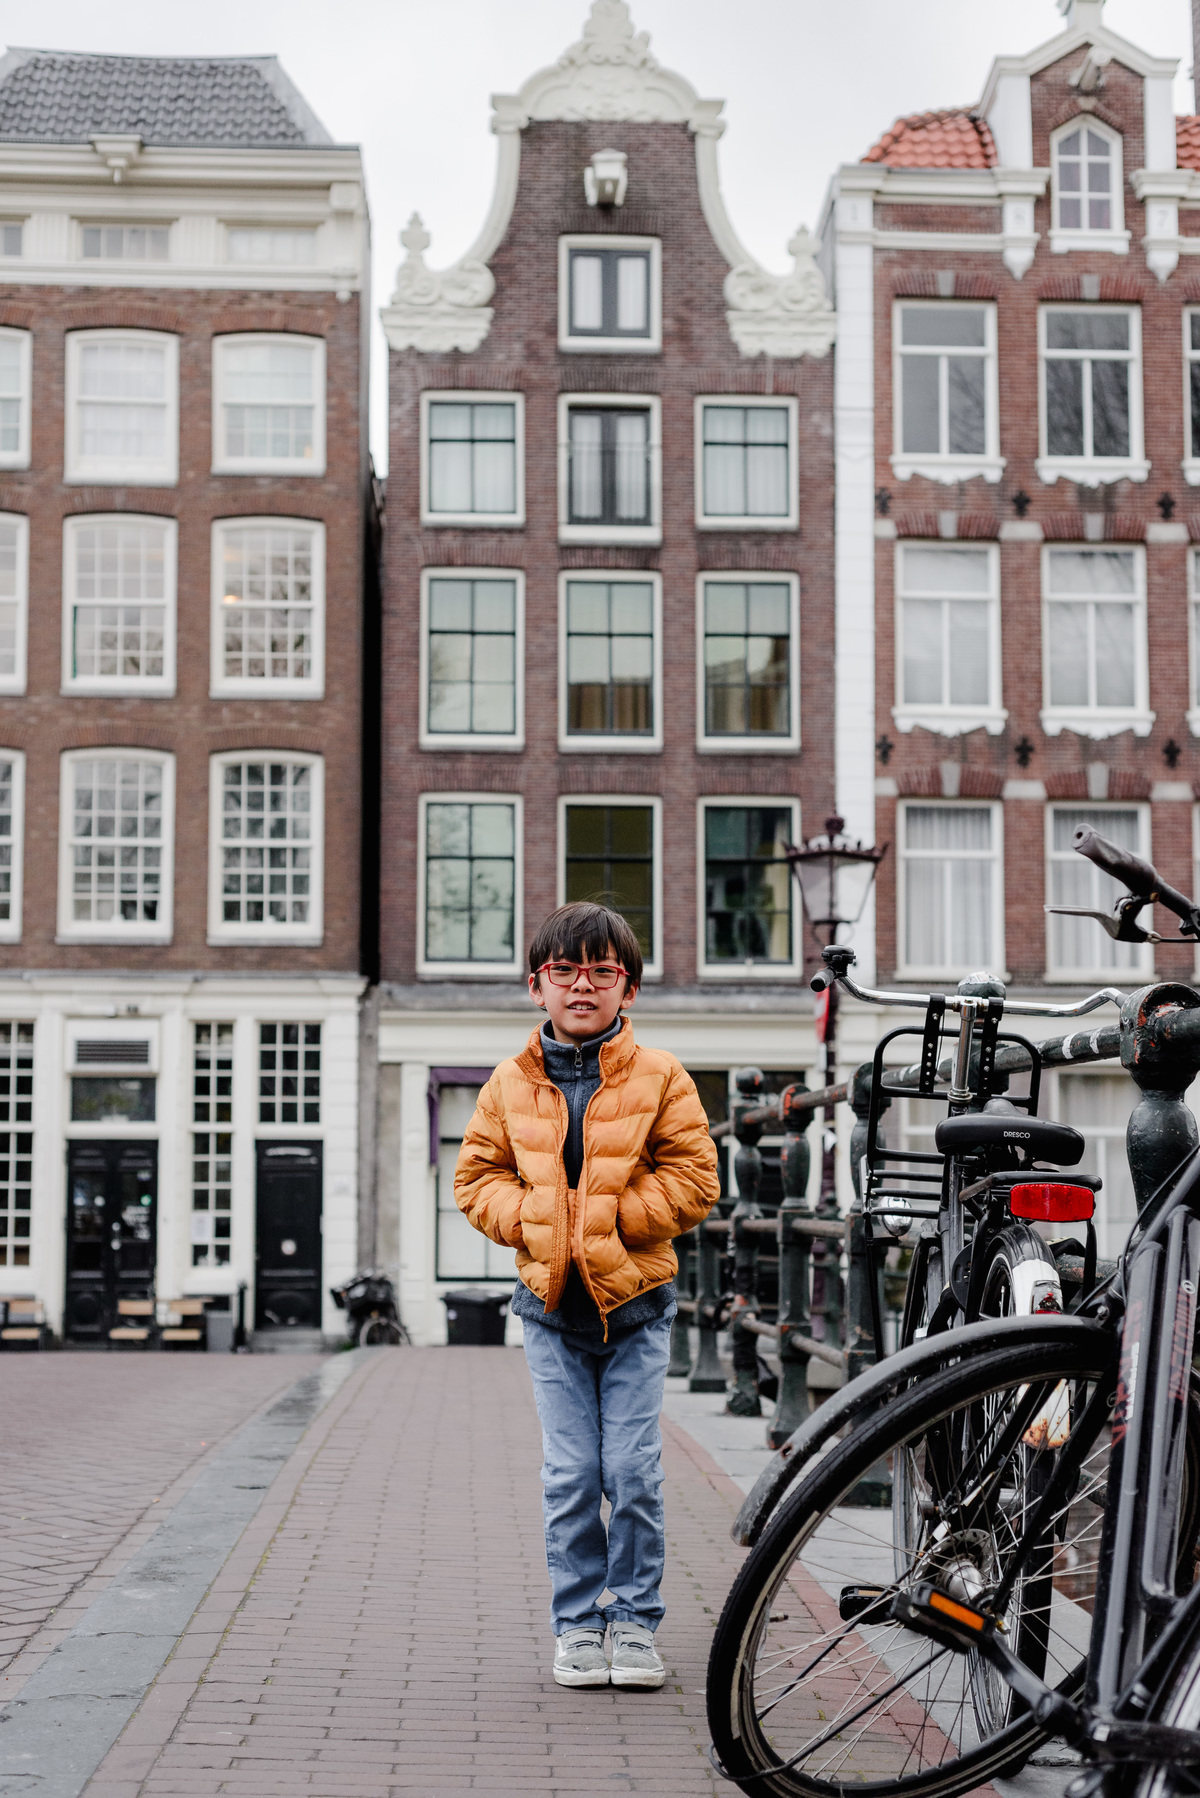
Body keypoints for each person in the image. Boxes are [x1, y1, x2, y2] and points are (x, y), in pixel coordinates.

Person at [454, 901, 720, 1690]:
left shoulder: (662, 1075)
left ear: (627, 989)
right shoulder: (508, 1083)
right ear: (537, 987)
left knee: (632, 1470)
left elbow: (695, 1177)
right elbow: (475, 1180)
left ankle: (633, 1622)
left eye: (602, 971)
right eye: (564, 970)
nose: (582, 985)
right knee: (572, 1474)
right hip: (550, 1312)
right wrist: (543, 1223)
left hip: (636, 1306)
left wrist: (602, 1221)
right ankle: (577, 1623)